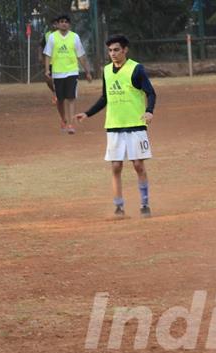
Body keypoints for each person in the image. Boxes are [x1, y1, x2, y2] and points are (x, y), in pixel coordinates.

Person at [75, 35, 156, 218]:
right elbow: (105, 98)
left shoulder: (136, 69)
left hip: (135, 125)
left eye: (116, 50)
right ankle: (118, 207)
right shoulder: (106, 71)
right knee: (116, 167)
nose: (113, 53)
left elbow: (150, 93)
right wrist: (87, 113)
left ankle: (144, 204)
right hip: (114, 126)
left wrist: (149, 111)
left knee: (138, 165)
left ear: (125, 50)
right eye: (110, 50)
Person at [43, 14, 92, 134]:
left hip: (72, 72)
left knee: (71, 98)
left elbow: (81, 55)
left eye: (66, 22)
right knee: (60, 99)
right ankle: (63, 119)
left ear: (69, 24)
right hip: (57, 73)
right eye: (61, 21)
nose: (64, 23)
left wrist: (87, 71)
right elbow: (48, 55)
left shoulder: (75, 37)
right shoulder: (52, 37)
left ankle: (70, 124)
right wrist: (47, 70)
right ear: (58, 24)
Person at [39, 17, 58, 104]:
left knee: (59, 80)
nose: (55, 25)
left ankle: (58, 96)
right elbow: (40, 46)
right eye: (53, 24)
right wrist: (40, 56)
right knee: (48, 80)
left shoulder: (63, 35)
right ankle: (55, 92)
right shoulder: (47, 35)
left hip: (60, 62)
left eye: (56, 23)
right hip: (49, 61)